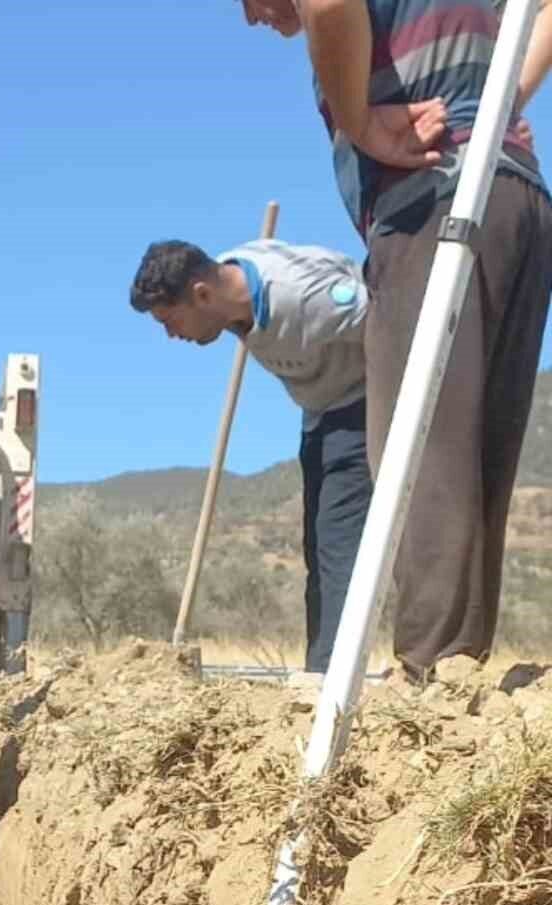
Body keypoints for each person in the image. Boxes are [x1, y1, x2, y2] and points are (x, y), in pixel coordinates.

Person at [239, 0, 552, 680]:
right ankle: (460, 680)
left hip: (431, 206)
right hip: (519, 199)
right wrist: (500, 100)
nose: (251, 17)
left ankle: (429, 677)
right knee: (479, 461)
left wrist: (361, 125)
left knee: (417, 456)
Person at [131, 236, 372, 672]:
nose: (170, 335)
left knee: (338, 548)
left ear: (202, 294)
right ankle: (321, 670)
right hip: (319, 412)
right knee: (318, 550)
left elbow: (394, 317)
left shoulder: (307, 298)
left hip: (360, 405)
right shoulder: (230, 293)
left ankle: (336, 678)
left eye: (170, 321)